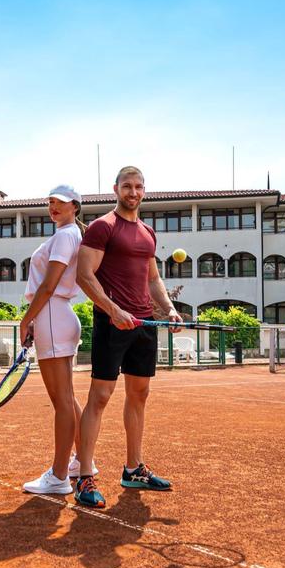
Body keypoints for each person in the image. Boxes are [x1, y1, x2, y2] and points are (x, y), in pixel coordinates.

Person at [74, 166, 182, 508]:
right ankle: (84, 476)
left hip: (144, 322)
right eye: (127, 186)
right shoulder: (102, 227)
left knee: (140, 394)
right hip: (112, 323)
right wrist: (112, 310)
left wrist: (169, 309)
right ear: (116, 189)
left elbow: (152, 279)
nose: (133, 192)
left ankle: (134, 469)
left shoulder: (148, 232)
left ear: (144, 191)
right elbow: (84, 275)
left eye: (138, 187)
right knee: (100, 396)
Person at [20, 185, 97, 495]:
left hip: (52, 315)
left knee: (62, 401)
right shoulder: (70, 234)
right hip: (57, 315)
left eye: (60, 202)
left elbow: (49, 285)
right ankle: (80, 463)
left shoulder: (66, 236)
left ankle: (59, 475)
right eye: (50, 202)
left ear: (74, 206)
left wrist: (26, 319)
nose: (53, 207)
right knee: (68, 397)